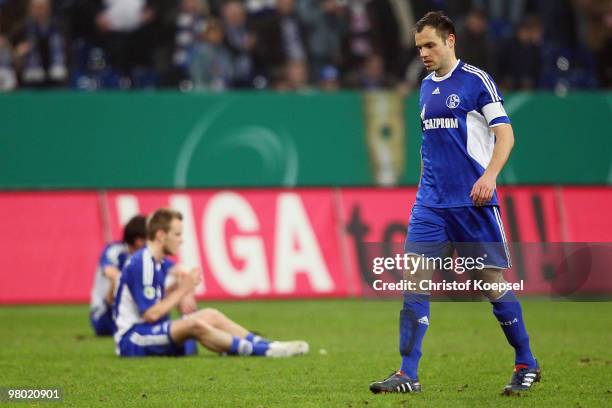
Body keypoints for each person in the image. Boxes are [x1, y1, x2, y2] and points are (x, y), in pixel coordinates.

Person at [369, 11, 540, 396]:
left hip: (472, 203)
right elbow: (431, 147)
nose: (424, 54)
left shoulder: (477, 82)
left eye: (430, 45)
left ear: (450, 41)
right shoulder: (425, 86)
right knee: (414, 278)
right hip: (431, 204)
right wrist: (424, 190)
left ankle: (526, 361)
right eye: (419, 48)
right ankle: (407, 373)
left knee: (489, 283)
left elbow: (506, 136)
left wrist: (490, 176)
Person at [113, 208, 309, 358]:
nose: (181, 240)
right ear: (160, 235)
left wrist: (185, 286)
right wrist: (183, 290)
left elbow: (180, 271)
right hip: (132, 339)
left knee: (211, 314)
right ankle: (262, 351)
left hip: (147, 332)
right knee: (196, 326)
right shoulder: (142, 263)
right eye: (177, 234)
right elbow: (151, 314)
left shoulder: (157, 260)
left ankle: (269, 345)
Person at [90, 215, 147, 336]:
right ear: (138, 240)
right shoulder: (114, 250)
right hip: (103, 314)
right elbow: (110, 272)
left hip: (128, 313)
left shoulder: (146, 255)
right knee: (118, 280)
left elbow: (170, 269)